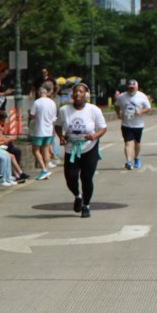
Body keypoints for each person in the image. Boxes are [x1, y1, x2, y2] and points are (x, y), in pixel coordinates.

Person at [55, 82, 107, 218]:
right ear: (72, 94)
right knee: (70, 178)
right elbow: (58, 125)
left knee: (86, 178)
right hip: (71, 148)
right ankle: (78, 196)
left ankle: (86, 205)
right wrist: (61, 137)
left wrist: (94, 136)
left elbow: (102, 128)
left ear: (86, 95)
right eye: (76, 91)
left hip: (89, 147)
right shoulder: (64, 110)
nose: (78, 93)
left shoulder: (93, 110)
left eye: (81, 91)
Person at [114, 79, 152, 170]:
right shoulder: (122, 96)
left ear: (137, 88)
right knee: (127, 143)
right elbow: (116, 105)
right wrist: (118, 114)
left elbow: (148, 108)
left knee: (137, 143)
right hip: (126, 124)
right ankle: (129, 161)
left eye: (133, 88)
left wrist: (140, 111)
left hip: (138, 124)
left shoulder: (142, 96)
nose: (131, 89)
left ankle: (137, 158)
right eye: (130, 88)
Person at [29, 81, 57, 180]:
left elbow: (32, 115)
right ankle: (46, 168)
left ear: (39, 93)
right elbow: (54, 118)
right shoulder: (52, 103)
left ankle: (44, 169)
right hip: (49, 129)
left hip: (39, 130)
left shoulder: (37, 102)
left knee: (35, 150)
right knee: (46, 149)